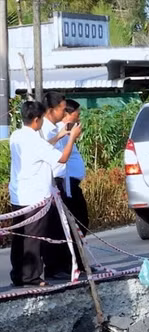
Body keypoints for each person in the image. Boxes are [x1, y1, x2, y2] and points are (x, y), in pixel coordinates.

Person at [8, 100, 81, 287]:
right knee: (34, 238)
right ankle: (31, 277)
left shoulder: (17, 135)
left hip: (19, 195)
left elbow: (40, 149)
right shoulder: (34, 140)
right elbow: (62, 158)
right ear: (36, 119)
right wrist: (72, 137)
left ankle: (18, 274)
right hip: (35, 197)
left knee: (20, 237)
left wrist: (58, 137)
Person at [41, 91, 73, 278]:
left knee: (63, 227)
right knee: (53, 227)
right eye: (61, 109)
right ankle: (53, 267)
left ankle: (64, 265)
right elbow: (59, 159)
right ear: (51, 110)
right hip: (50, 183)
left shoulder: (55, 129)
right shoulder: (44, 130)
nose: (64, 113)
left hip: (59, 182)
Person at [61, 100, 89, 240]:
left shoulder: (67, 132)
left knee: (81, 221)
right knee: (79, 221)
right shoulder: (60, 133)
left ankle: (76, 255)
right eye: (76, 114)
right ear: (65, 113)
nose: (78, 118)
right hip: (67, 184)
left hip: (73, 183)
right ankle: (73, 256)